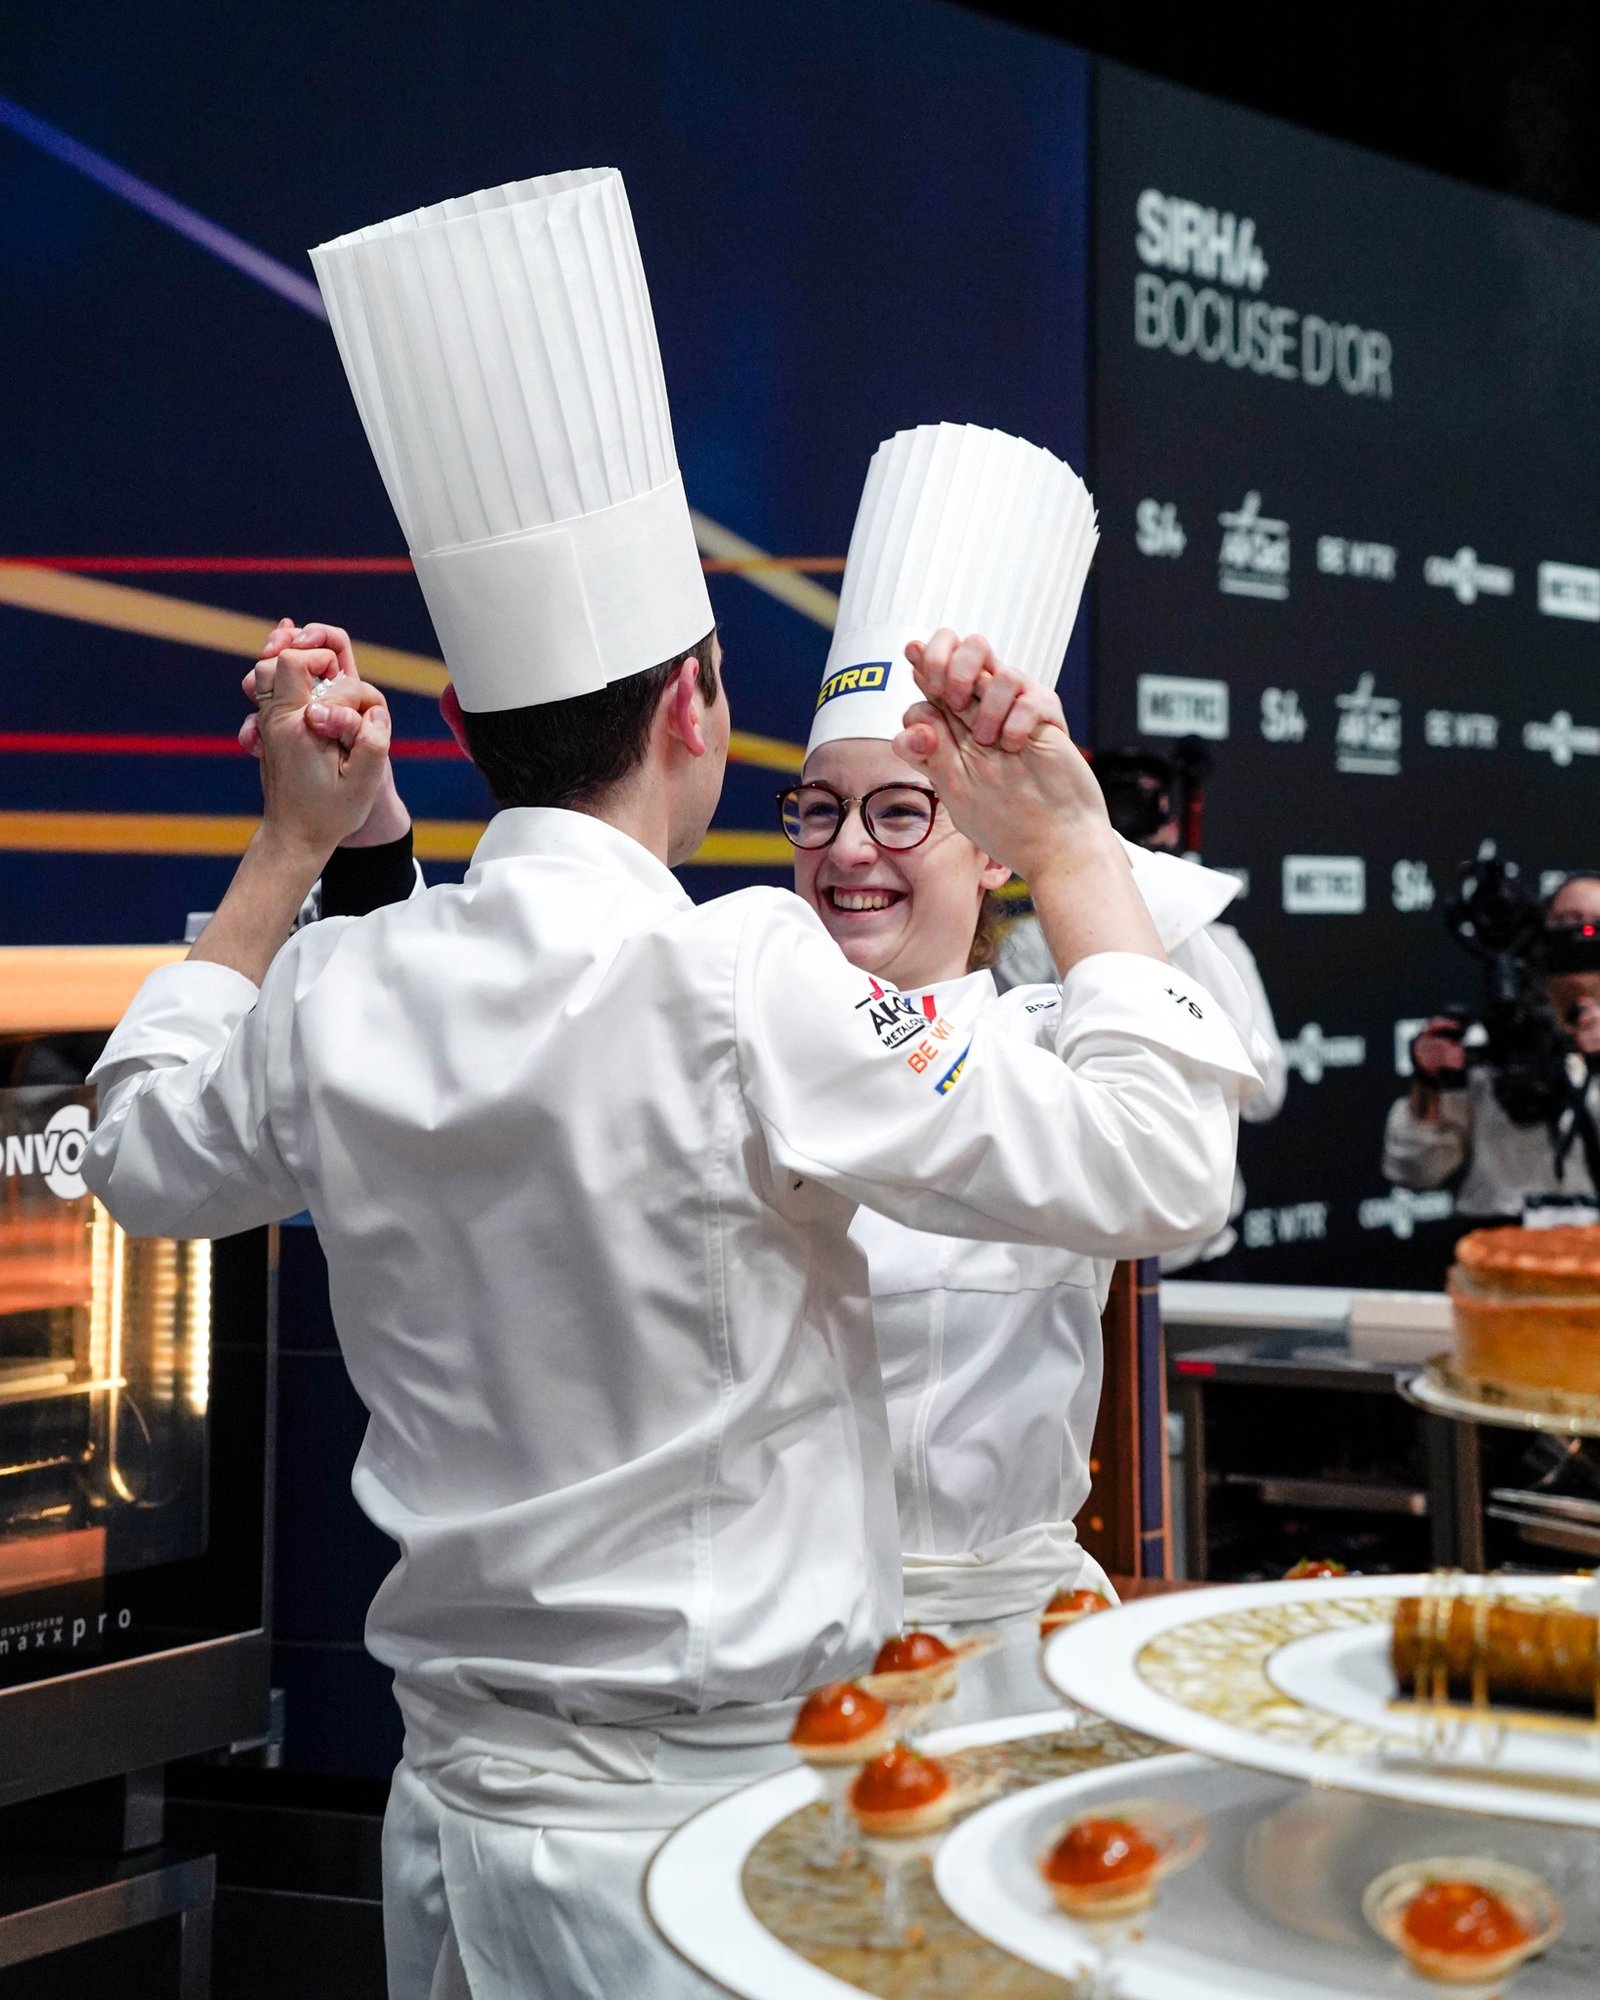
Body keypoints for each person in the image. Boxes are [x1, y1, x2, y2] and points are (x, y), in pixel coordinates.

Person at [82, 170, 1255, 2000]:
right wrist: (1079, 847)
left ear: (461, 730)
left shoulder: (335, 980)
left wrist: (286, 851)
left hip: (455, 1823)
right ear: (701, 709)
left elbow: (140, 1155)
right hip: (712, 1841)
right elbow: (1164, 1162)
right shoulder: (743, 972)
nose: (852, 852)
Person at [779, 425, 1267, 1716]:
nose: (848, 849)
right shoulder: (735, 1027)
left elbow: (1187, 1165)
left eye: (901, 810)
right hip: (778, 1656)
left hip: (1011, 1660)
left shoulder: (1054, 1044)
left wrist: (1070, 841)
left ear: (990, 847)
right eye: (819, 809)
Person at [996, 741, 1286, 1266]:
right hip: (1077, 1250)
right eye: (1114, 799)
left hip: (1196, 1252)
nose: (1128, 814)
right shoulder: (1030, 945)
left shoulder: (1214, 944)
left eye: (1144, 801)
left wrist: (1174, 937)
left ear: (1172, 826)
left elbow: (1266, 1095)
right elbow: (1017, 1087)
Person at [1384, 873, 1600, 1220]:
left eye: (1595, 925)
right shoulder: (1487, 1038)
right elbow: (1414, 1170)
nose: (1581, 935)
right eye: (1566, 921)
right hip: (1499, 1239)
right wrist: (1427, 1084)